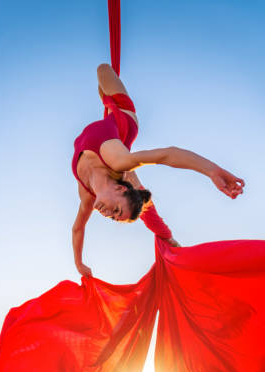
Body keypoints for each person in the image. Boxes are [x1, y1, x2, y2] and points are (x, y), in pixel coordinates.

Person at [72, 63, 245, 277]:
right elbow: (167, 154)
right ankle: (170, 239)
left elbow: (77, 229)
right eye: (116, 211)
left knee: (143, 205)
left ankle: (169, 239)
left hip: (106, 137)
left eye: (113, 218)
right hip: (123, 118)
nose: (108, 215)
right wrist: (213, 171)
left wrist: (79, 264)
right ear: (120, 190)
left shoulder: (86, 195)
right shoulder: (120, 162)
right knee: (102, 69)